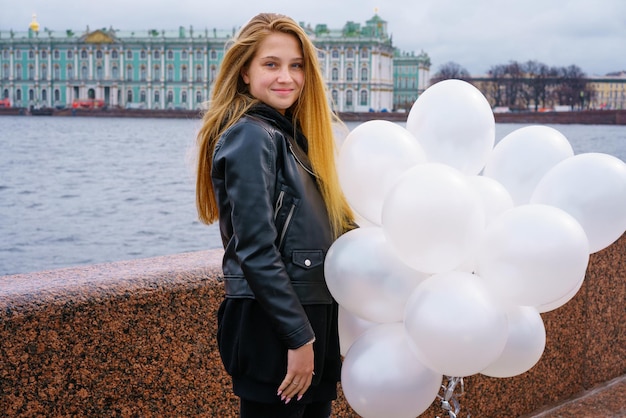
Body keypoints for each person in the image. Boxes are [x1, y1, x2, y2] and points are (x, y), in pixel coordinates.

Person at [195, 12, 356, 418]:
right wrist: (299, 339)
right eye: (271, 64)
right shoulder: (251, 135)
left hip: (307, 320)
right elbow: (255, 250)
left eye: (296, 65)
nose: (287, 76)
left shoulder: (292, 138)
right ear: (244, 73)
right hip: (277, 329)